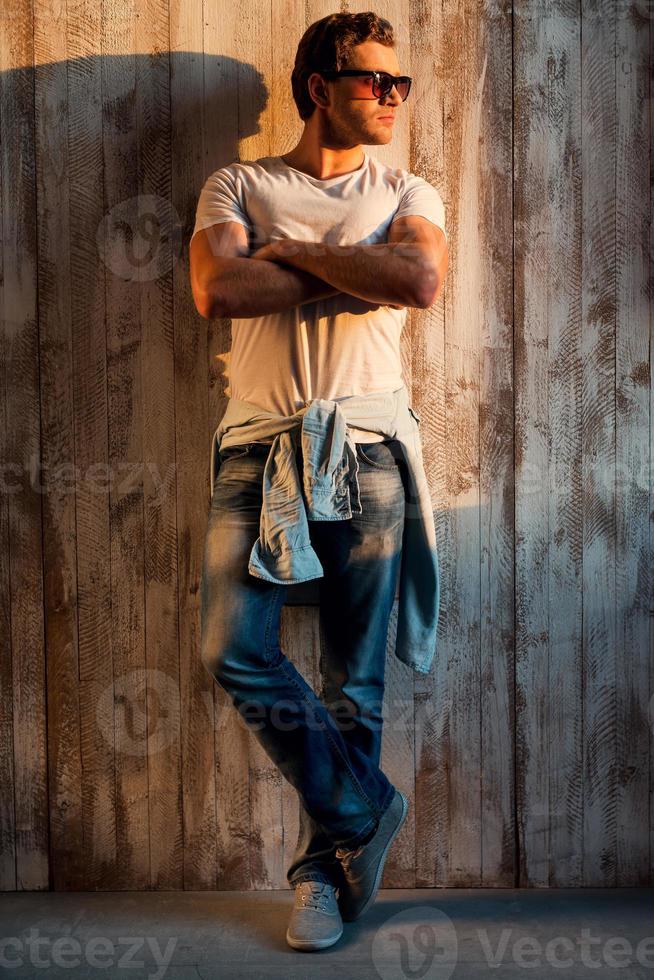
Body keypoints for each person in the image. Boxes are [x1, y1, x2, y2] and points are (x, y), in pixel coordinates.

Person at [189, 10, 448, 952]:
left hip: (370, 449)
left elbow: (420, 281)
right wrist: (357, 268)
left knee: (355, 682)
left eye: (400, 82)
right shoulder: (239, 182)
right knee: (234, 648)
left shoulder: (408, 186)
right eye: (375, 80)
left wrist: (286, 252)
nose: (392, 96)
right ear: (318, 87)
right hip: (257, 447)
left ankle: (321, 882)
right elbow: (218, 291)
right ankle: (366, 810)